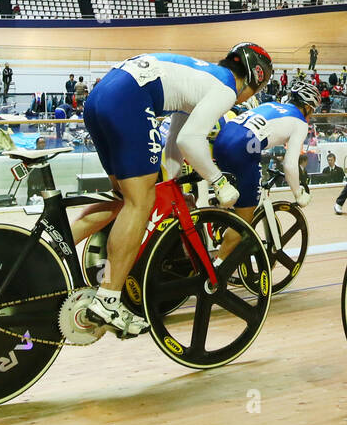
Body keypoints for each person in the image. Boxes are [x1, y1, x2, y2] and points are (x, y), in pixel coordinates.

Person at [68, 45, 273, 337]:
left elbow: (176, 138)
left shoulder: (202, 78)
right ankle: (108, 300)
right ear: (255, 79)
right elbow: (191, 139)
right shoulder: (226, 89)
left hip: (103, 94)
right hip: (129, 97)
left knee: (126, 199)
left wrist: (173, 181)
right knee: (141, 201)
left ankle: (58, 245)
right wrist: (219, 182)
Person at [187, 79, 316, 261]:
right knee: (244, 221)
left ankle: (221, 226)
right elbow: (290, 164)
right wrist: (298, 194)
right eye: (313, 111)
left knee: (234, 195)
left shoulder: (272, 104)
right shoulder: (301, 123)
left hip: (224, 139)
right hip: (244, 148)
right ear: (308, 107)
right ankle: (216, 271)